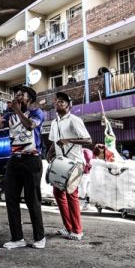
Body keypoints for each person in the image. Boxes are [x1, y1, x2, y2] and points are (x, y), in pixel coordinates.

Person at [0, 85, 46, 249]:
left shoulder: (36, 112)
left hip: (32, 160)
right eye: (16, 94)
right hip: (14, 160)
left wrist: (17, 110)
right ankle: (17, 238)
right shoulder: (10, 115)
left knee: (32, 200)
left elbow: (30, 125)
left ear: (29, 98)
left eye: (21, 94)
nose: (17, 96)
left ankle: (40, 238)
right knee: (10, 199)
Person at [46, 92, 92, 241]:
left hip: (75, 162)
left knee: (72, 194)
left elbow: (88, 139)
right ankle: (68, 227)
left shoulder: (74, 120)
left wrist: (68, 140)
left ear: (68, 105)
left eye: (61, 101)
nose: (58, 103)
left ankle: (77, 231)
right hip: (61, 162)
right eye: (56, 101)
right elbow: (54, 141)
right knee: (58, 193)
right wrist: (50, 153)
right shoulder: (54, 122)